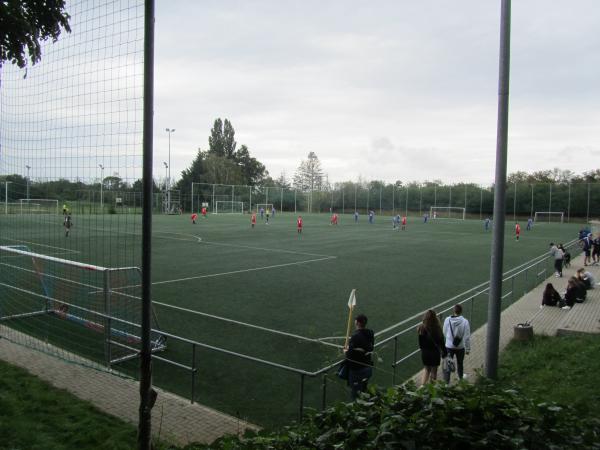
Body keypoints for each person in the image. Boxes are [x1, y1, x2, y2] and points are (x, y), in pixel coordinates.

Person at [344, 314, 374, 400]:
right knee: (364, 391)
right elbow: (369, 348)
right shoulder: (370, 333)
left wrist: (346, 351)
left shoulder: (355, 336)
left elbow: (349, 356)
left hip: (357, 371)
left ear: (356, 322)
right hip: (367, 367)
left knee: (355, 396)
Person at [443, 304, 471, 383]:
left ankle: (446, 383)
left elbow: (444, 332)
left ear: (453, 311)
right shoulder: (465, 321)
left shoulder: (447, 320)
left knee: (447, 365)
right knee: (460, 363)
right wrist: (468, 349)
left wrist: (449, 340)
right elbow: (467, 336)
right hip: (460, 347)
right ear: (461, 311)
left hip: (448, 346)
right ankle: (460, 379)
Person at [417, 310, 447, 384]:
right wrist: (445, 353)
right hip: (435, 353)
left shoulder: (421, 328)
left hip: (425, 352)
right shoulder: (438, 328)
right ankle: (431, 390)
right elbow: (442, 343)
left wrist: (424, 350)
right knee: (434, 372)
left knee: (426, 370)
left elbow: (421, 344)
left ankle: (422, 387)